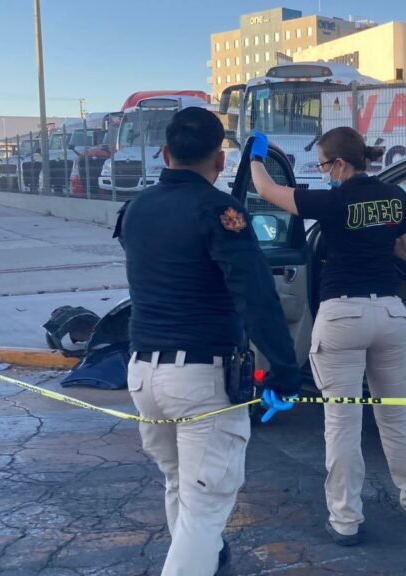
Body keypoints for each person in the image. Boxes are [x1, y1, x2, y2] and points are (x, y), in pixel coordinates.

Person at [117, 107, 301, 575]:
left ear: (164, 153)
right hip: (201, 377)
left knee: (181, 485)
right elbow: (257, 298)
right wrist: (284, 370)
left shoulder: (136, 208)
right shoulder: (221, 212)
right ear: (220, 161)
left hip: (144, 375)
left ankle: (210, 563)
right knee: (205, 508)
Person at [249, 127, 406, 546]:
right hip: (389, 313)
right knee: (396, 415)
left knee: (343, 423)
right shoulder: (396, 198)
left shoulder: (332, 201)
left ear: (340, 164)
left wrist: (256, 156)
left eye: (322, 165)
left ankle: (346, 520)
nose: (322, 172)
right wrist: (382, 243)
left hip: (342, 315)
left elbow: (266, 190)